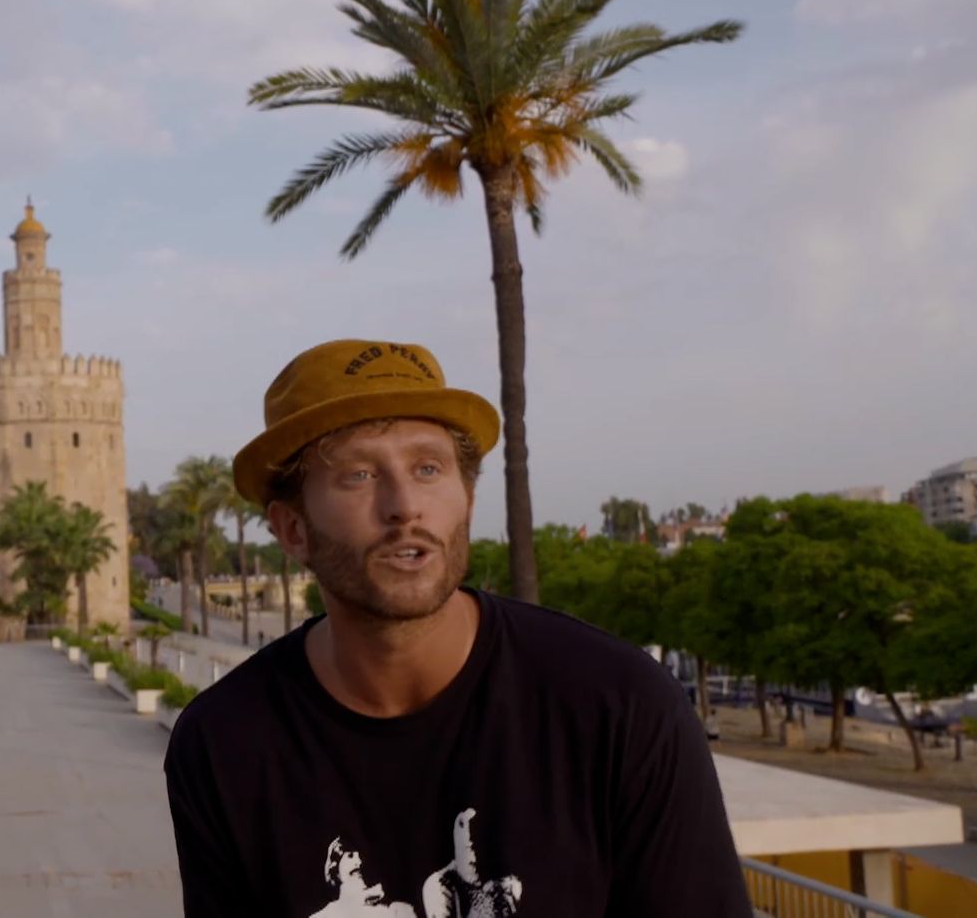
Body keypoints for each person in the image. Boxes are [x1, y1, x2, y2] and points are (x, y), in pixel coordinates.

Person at [163, 339, 747, 916]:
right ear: (292, 530)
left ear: (466, 497)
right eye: (358, 475)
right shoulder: (223, 745)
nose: (404, 506)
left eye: (427, 467)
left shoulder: (620, 708)